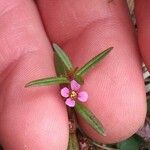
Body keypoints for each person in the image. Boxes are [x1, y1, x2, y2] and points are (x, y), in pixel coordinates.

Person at [0, 0, 149, 149]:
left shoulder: (74, 93)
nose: (72, 95)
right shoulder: (72, 92)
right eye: (72, 94)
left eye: (72, 94)